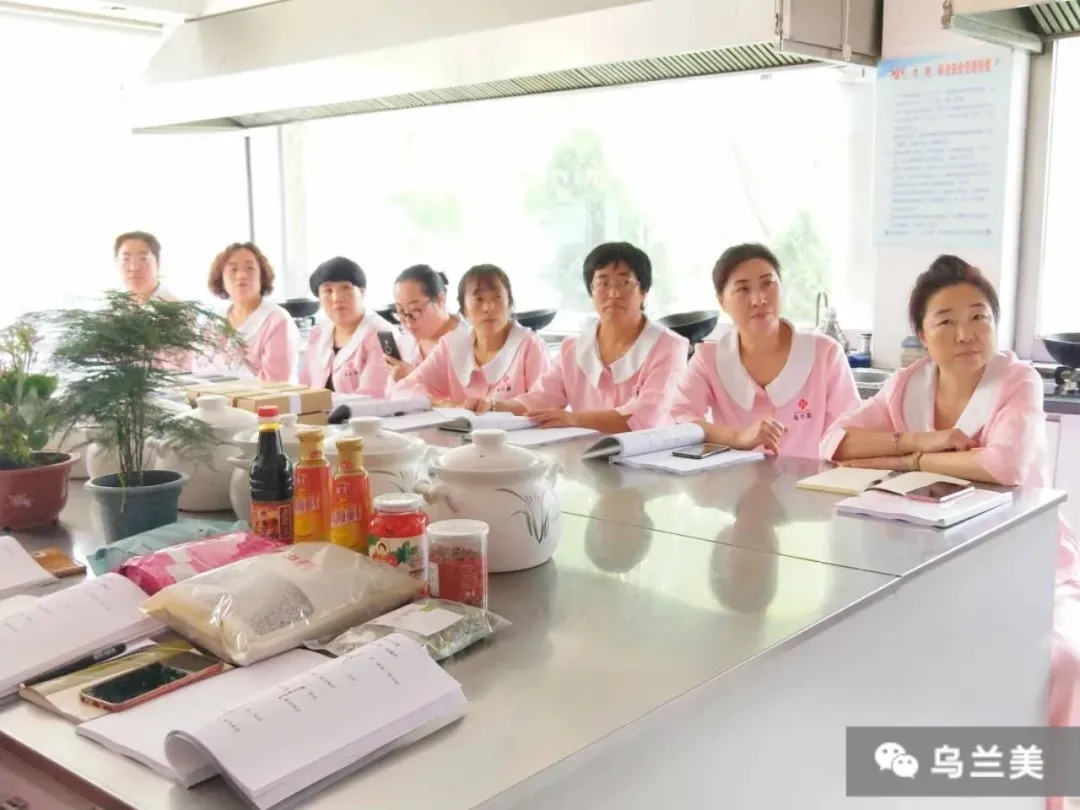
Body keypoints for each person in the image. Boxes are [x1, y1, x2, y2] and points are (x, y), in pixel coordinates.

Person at [821, 255, 1080, 769]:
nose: (966, 334)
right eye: (946, 321)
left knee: (1063, 659)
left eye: (979, 316)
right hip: (931, 562)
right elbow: (835, 442)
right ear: (921, 333)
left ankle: (1056, 790)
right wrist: (921, 441)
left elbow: (1003, 465)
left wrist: (909, 461)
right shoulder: (908, 384)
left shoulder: (1018, 379)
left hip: (1030, 558)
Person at [669, 243, 860, 455]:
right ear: (722, 301)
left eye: (767, 283)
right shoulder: (708, 360)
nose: (759, 300)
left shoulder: (825, 354)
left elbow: (851, 430)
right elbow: (679, 420)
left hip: (813, 476)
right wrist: (738, 437)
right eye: (743, 289)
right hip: (732, 476)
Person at [491, 242, 688, 432]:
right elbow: (539, 400)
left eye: (624, 283)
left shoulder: (669, 346)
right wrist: (491, 406)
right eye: (603, 283)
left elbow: (646, 416)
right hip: (586, 451)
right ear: (591, 291)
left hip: (652, 453)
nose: (613, 293)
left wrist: (573, 419)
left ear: (644, 291)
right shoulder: (573, 349)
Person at [395, 264, 548, 406]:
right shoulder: (451, 345)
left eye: (497, 297)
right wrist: (444, 404)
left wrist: (495, 407)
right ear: (464, 309)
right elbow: (404, 390)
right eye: (479, 299)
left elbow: (545, 401)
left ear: (509, 302)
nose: (488, 307)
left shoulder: (529, 345)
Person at [199, 242, 299, 382]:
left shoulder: (277, 320)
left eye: (250, 268)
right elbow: (202, 370)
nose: (241, 275)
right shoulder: (214, 321)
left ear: (262, 277)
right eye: (233, 269)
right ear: (221, 279)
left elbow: (276, 382)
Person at [299, 256, 393, 396]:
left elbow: (372, 397)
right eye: (328, 291)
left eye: (345, 288)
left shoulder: (382, 334)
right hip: (317, 410)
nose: (337, 298)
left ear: (362, 292)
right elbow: (303, 388)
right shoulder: (317, 333)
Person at [385, 264, 469, 383]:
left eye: (415, 310)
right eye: (400, 311)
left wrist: (415, 376)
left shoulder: (471, 341)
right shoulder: (403, 344)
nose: (408, 320)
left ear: (440, 300)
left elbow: (472, 392)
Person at [114, 231, 175, 303]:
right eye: (126, 259)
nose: (134, 268)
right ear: (116, 263)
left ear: (158, 262)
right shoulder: (113, 305)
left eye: (143, 259)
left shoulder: (175, 306)